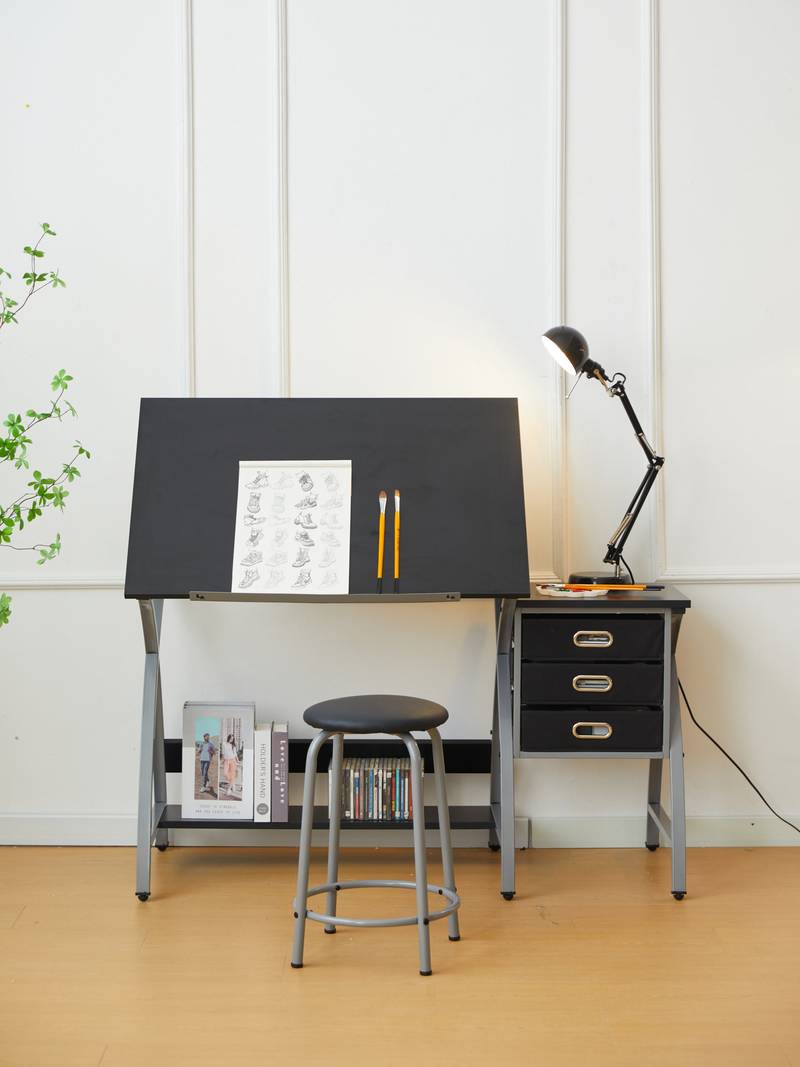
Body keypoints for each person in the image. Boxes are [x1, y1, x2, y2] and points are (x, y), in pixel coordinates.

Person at [221, 734, 240, 798]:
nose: (231, 740)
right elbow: (223, 753)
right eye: (231, 738)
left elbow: (235, 754)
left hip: (232, 761)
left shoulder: (233, 745)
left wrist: (237, 760)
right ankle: (233, 782)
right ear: (228, 738)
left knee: (232, 775)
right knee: (225, 773)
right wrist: (222, 761)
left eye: (232, 739)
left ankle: (229, 789)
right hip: (226, 761)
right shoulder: (224, 744)